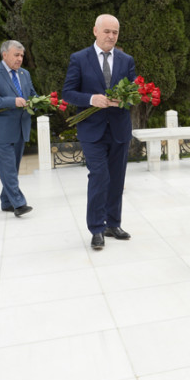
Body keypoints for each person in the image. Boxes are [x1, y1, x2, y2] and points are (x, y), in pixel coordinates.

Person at [63, 14, 136, 251]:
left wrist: (123, 100)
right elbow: (68, 93)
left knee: (117, 178)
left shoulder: (126, 60)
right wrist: (91, 99)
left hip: (119, 129)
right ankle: (96, 228)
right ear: (95, 31)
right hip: (91, 130)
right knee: (99, 176)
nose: (111, 36)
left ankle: (113, 224)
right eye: (107, 31)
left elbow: (135, 94)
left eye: (115, 32)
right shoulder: (79, 59)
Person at [0, 40, 36, 216]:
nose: (20, 59)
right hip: (1, 131)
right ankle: (19, 204)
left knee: (12, 168)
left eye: (21, 55)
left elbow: (32, 94)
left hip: (20, 128)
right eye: (16, 55)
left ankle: (6, 201)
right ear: (5, 55)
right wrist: (12, 101)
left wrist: (40, 102)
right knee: (9, 169)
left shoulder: (25, 74)